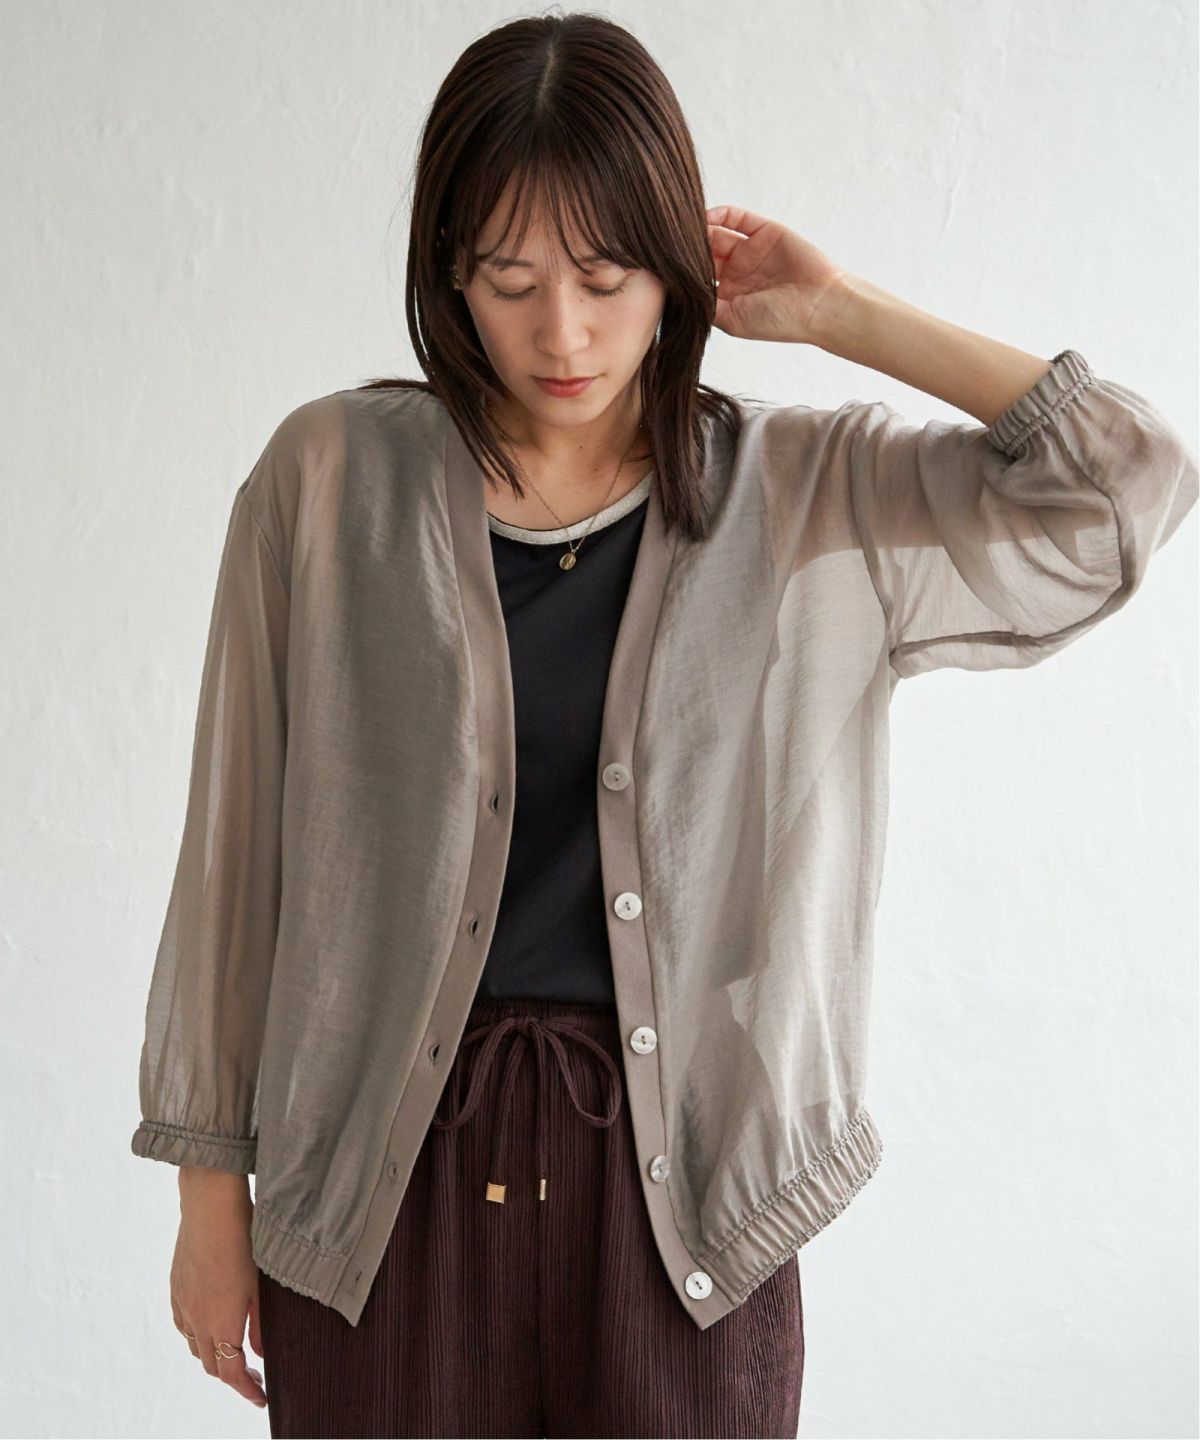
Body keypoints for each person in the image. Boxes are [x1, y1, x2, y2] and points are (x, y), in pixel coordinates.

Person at [129, 12, 1198, 1439]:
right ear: (447, 274)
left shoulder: (802, 491)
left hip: (686, 1205)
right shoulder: (328, 479)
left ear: (672, 270)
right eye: (509, 280)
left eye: (605, 276)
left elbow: (1124, 490)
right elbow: (234, 856)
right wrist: (210, 1200)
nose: (561, 334)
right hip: (378, 1195)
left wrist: (842, 312)